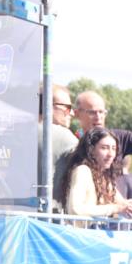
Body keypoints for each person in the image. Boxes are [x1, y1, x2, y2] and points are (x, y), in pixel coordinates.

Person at [55, 127, 132, 230]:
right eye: (104, 148)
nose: (111, 154)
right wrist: (116, 208)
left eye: (114, 148)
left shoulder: (103, 177)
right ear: (91, 150)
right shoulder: (83, 171)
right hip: (81, 239)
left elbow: (122, 204)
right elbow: (76, 209)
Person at [45, 83, 83, 211]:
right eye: (67, 107)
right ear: (47, 106)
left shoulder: (16, 133)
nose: (71, 113)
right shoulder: (65, 136)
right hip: (51, 217)